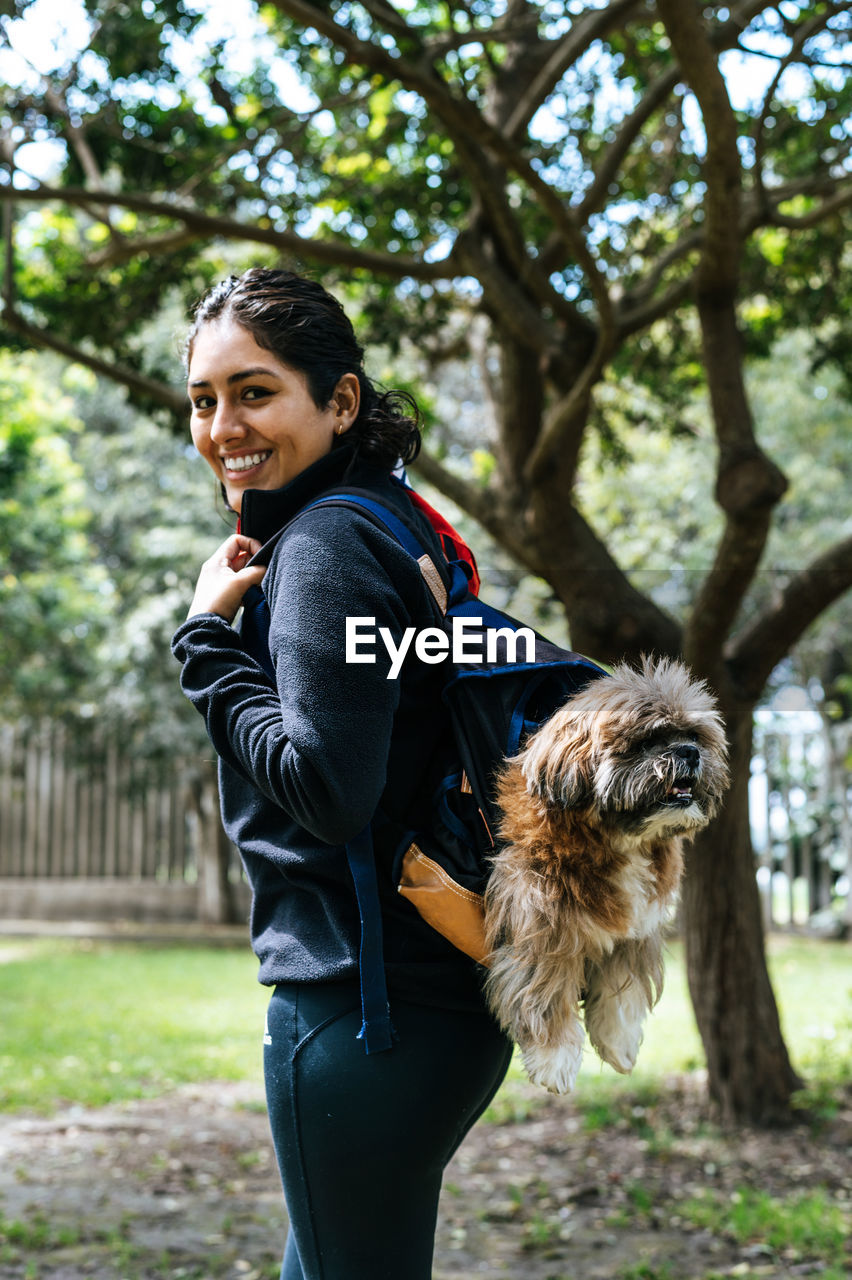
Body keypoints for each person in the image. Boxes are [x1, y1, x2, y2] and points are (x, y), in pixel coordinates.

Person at [171, 267, 513, 1280]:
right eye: (203, 399)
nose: (223, 424)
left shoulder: (322, 548)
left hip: (365, 1013)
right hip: (435, 994)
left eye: (255, 390)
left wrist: (202, 642)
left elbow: (327, 786)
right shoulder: (393, 522)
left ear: (342, 399)